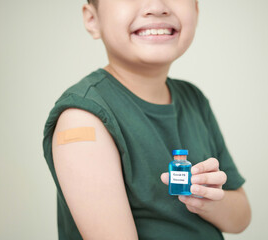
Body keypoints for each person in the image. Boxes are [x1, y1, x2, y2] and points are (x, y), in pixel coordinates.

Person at [42, 0, 251, 239]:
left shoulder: (194, 100)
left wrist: (206, 200)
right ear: (92, 19)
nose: (156, 6)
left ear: (196, 9)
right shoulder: (83, 119)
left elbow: (241, 218)